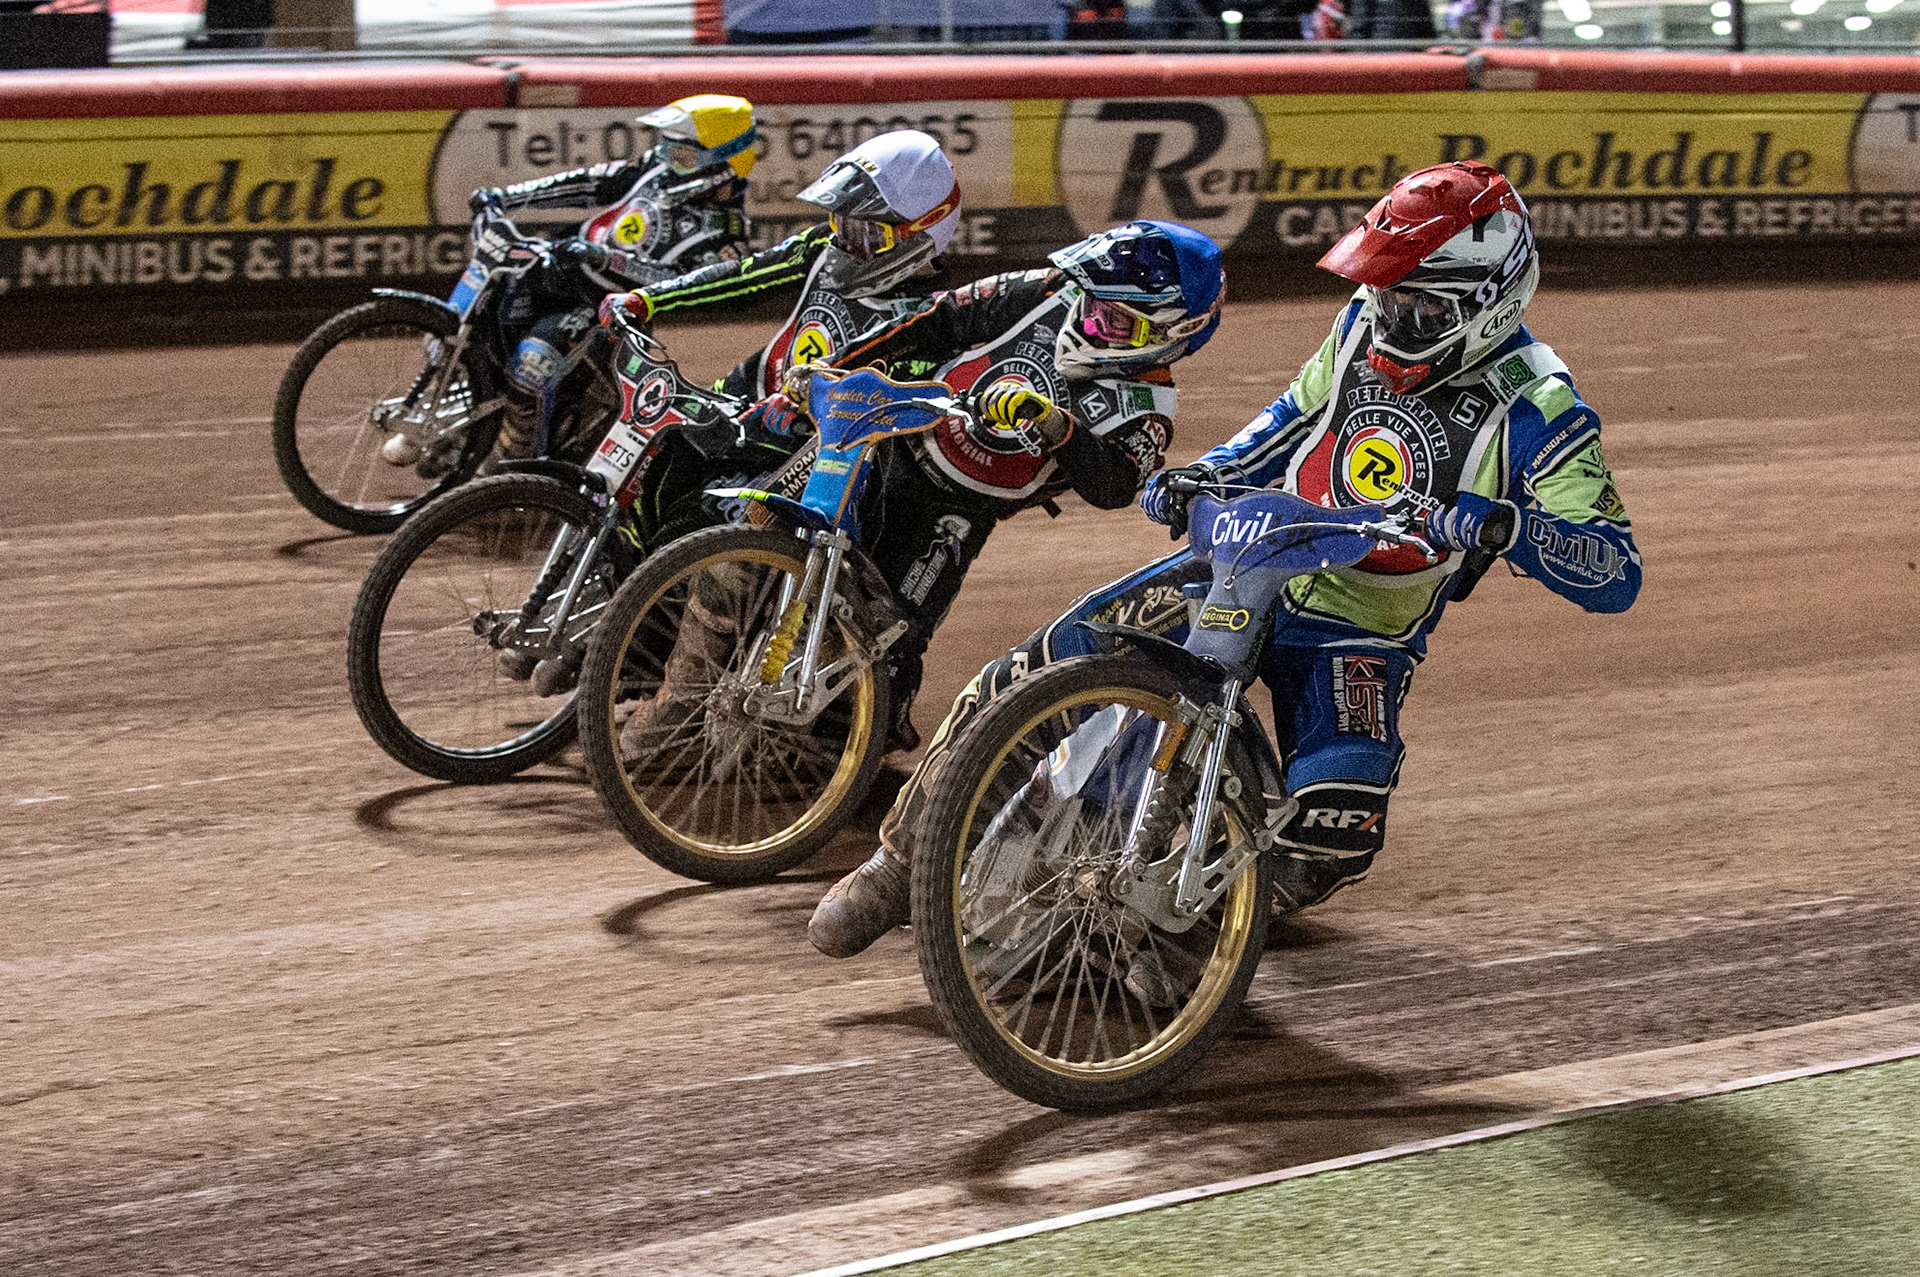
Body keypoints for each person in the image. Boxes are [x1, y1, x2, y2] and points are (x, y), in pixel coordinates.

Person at [810, 160, 1642, 957]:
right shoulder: (1362, 319)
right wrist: (1210, 472)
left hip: (1360, 623)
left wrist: (1504, 529)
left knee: (1331, 828)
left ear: (1488, 302)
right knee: (1037, 665)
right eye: (1383, 295)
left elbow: (1614, 571)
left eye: (1416, 309)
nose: (1387, 319)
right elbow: (1290, 418)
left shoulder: (1544, 408)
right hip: (1255, 555)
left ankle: (1205, 930)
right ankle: (895, 865)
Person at [803, 219, 1227, 956]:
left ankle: (892, 860)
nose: (1085, 319)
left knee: (890, 631)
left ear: (1167, 335)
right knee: (757, 512)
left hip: (958, 511)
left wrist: (1061, 429)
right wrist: (841, 363)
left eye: (1111, 319)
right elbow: (938, 318)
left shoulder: (1144, 408)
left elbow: (1116, 482)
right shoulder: (1045, 291)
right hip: (889, 441)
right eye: (1089, 301)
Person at [471, 94, 759, 456]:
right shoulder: (655, 168)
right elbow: (590, 182)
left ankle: (517, 464)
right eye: (669, 150)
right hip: (561, 266)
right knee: (483, 315)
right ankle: (463, 411)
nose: (670, 162)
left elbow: (673, 282)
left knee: (534, 366)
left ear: (724, 164)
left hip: (607, 310)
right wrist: (506, 197)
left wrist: (605, 259)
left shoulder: (725, 239)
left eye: (683, 157)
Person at [602, 129, 962, 407]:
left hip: (799, 458)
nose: (845, 242)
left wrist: (794, 414)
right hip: (741, 396)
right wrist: (648, 298)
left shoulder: (929, 321)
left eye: (866, 232)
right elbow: (743, 275)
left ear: (923, 229)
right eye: (842, 222)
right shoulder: (825, 245)